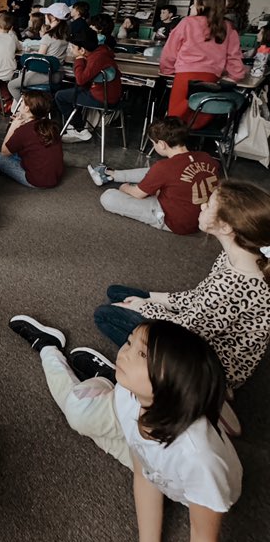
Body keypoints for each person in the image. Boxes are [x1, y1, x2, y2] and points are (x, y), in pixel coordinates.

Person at [8, 316, 241, 542]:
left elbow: (204, 540)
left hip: (186, 480)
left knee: (81, 412)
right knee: (78, 415)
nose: (125, 350)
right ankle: (55, 351)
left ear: (173, 385)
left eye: (141, 354)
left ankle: (103, 378)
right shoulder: (129, 400)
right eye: (130, 342)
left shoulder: (199, 461)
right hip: (150, 434)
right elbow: (143, 471)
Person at [93, 179, 270, 390]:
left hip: (207, 366)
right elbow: (200, 296)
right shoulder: (241, 255)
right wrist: (152, 297)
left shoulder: (235, 283)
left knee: (104, 314)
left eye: (209, 205)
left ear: (224, 226)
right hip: (199, 327)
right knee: (117, 293)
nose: (202, 206)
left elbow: (185, 331)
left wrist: (144, 306)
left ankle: (155, 372)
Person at [88, 117, 220, 234]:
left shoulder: (164, 167)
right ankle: (112, 174)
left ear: (162, 144)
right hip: (203, 216)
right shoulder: (206, 157)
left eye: (153, 143)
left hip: (176, 221)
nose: (154, 145)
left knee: (108, 197)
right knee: (153, 172)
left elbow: (137, 194)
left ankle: (112, 178)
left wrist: (124, 187)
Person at [160, 0, 245, 129]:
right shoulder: (228, 27)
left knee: (176, 120)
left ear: (202, 6)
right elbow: (234, 56)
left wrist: (167, 70)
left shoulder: (187, 22)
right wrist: (235, 76)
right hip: (211, 79)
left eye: (194, 5)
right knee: (199, 115)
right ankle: (193, 143)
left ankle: (175, 146)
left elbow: (169, 52)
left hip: (184, 77)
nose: (191, 8)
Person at [0, 90, 63, 188]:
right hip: (55, 177)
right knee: (21, 150)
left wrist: (13, 127)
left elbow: (4, 152)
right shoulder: (51, 125)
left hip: (37, 181)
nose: (20, 104)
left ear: (26, 108)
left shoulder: (24, 130)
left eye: (21, 102)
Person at [56, 29, 121, 143]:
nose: (71, 49)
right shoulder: (101, 51)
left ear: (82, 50)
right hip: (106, 94)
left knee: (60, 96)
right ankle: (77, 126)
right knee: (74, 92)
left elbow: (81, 80)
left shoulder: (96, 58)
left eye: (73, 47)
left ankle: (79, 130)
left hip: (103, 98)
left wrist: (79, 60)